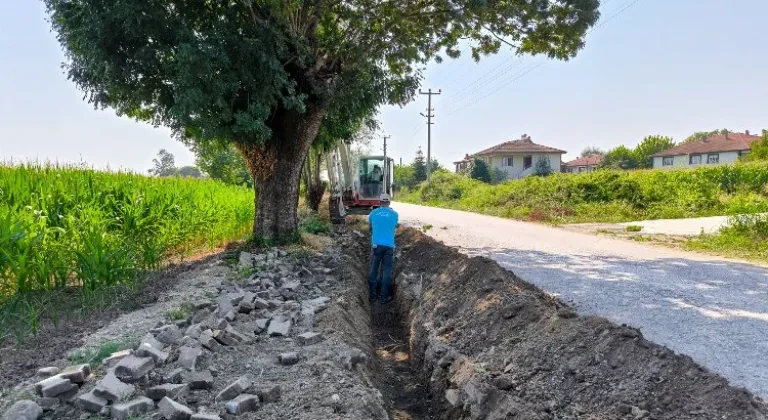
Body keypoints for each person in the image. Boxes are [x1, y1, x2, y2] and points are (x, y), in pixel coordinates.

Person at [368, 194, 398, 303]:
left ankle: (372, 296)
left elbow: (370, 228)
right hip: (389, 246)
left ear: (379, 202)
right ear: (389, 202)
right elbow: (394, 226)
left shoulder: (373, 213)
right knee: (386, 271)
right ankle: (384, 297)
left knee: (374, 270)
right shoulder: (395, 214)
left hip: (376, 246)